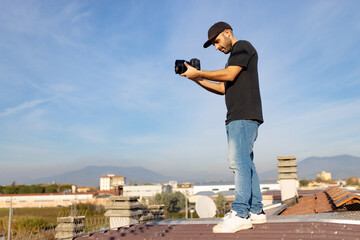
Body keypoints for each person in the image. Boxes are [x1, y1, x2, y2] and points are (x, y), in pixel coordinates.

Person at [180, 21, 266, 233]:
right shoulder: (233, 58)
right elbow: (222, 88)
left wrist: (199, 73)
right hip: (238, 117)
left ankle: (240, 214)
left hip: (243, 116)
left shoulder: (243, 46)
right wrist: (195, 78)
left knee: (238, 163)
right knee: (247, 163)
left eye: (217, 42)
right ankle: (256, 212)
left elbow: (227, 75)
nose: (217, 47)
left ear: (227, 33)